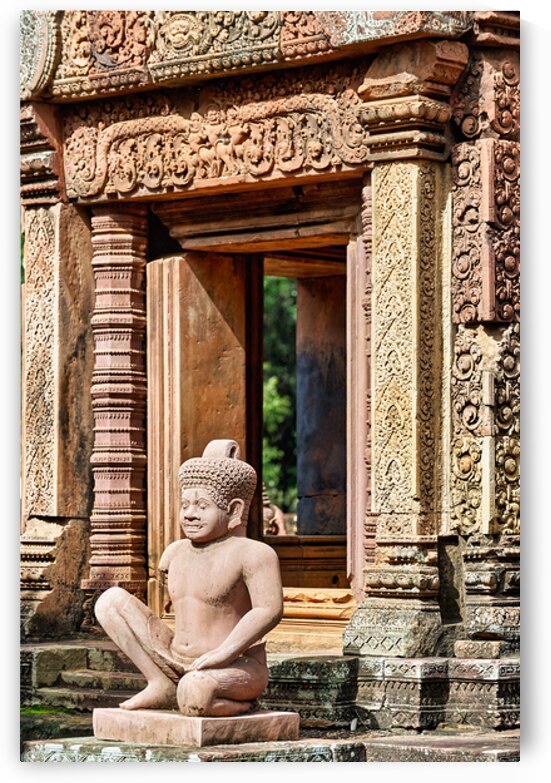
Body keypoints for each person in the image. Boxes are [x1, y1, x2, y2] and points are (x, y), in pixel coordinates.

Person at [94, 440, 283, 718]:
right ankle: (159, 682)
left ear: (233, 510)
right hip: (174, 658)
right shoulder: (175, 552)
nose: (190, 514)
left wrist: (224, 654)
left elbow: (269, 610)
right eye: (185, 505)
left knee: (193, 695)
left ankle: (243, 704)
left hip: (234, 666)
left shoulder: (254, 554)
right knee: (109, 601)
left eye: (202, 506)